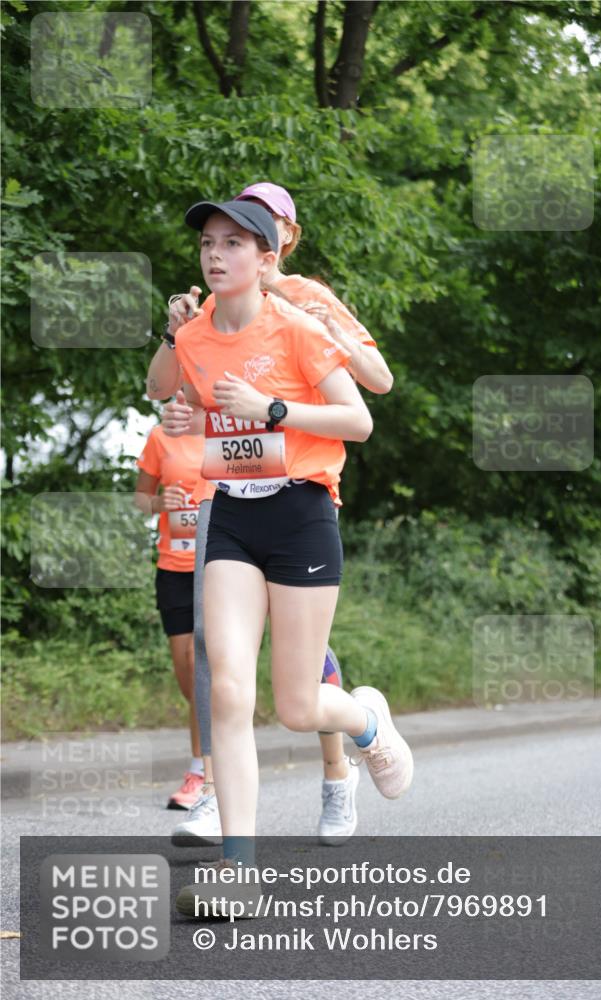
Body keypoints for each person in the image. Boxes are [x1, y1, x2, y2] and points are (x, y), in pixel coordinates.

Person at [168, 198, 412, 917]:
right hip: (232, 516)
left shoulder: (299, 324)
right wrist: (188, 412)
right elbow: (191, 400)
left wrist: (272, 409)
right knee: (228, 690)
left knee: (298, 707)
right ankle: (237, 871)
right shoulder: (195, 335)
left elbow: (359, 419)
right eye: (207, 244)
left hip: (302, 514)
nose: (215, 255)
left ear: (267, 258)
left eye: (232, 243)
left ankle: (366, 722)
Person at [134, 422, 212, 809]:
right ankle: (218, 744)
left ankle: (200, 772)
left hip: (218, 565)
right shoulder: (161, 436)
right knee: (188, 680)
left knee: (199, 668)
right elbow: (140, 498)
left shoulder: (227, 427)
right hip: (173, 570)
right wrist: (158, 504)